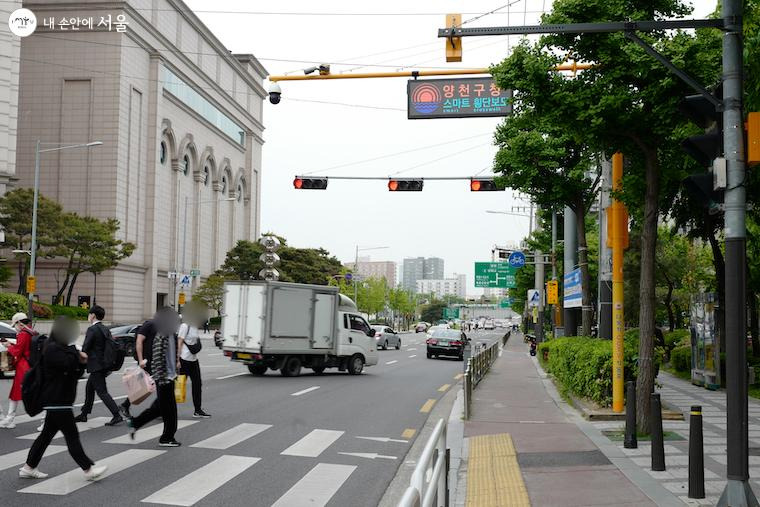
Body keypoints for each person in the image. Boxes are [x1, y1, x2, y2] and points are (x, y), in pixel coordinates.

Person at [19, 316, 107, 480]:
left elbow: (76, 372)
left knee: (45, 436)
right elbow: (67, 364)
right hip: (56, 400)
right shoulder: (52, 348)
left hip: (61, 400)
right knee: (72, 436)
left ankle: (28, 467)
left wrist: (80, 361)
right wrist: (77, 355)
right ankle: (88, 470)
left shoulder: (62, 347)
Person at [126, 307, 181, 446]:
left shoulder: (170, 333)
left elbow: (171, 356)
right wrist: (162, 378)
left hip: (169, 376)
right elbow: (157, 357)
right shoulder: (162, 334)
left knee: (160, 408)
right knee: (169, 410)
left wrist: (176, 368)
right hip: (164, 378)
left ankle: (135, 423)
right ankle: (166, 438)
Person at [75, 305, 123, 426]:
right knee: (89, 388)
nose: (88, 316)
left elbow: (86, 347)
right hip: (104, 364)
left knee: (102, 391)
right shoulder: (104, 328)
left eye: (89, 314)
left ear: (93, 315)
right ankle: (84, 414)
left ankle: (117, 414)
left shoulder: (92, 329)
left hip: (96, 365)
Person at [0, 313, 35, 429]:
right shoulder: (30, 332)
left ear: (19, 323)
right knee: (25, 394)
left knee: (18, 394)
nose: (14, 327)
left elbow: (17, 352)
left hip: (23, 367)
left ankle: (9, 419)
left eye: (15, 324)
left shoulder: (23, 334)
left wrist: (7, 345)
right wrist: (11, 344)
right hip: (28, 366)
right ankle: (9, 419)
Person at [119, 318, 156, 418]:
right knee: (143, 386)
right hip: (146, 361)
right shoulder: (150, 324)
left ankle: (125, 405)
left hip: (154, 360)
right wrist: (140, 360)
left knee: (146, 386)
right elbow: (139, 341)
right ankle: (125, 405)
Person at [178, 316, 210, 418]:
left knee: (197, 384)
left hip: (193, 360)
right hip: (184, 360)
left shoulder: (194, 327)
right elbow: (179, 342)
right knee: (178, 386)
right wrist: (177, 359)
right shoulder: (184, 326)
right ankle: (161, 408)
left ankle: (198, 410)